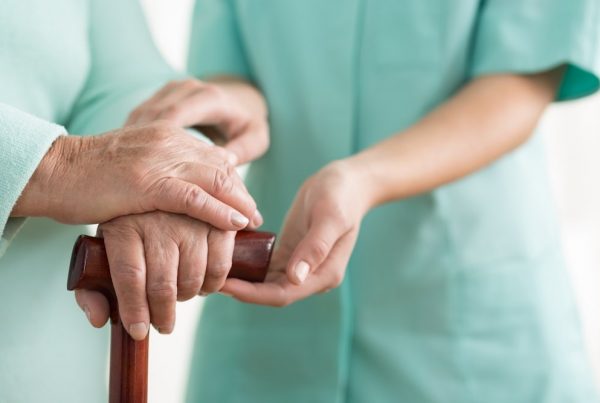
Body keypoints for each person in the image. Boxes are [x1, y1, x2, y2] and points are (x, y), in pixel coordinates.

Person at [171, 0, 600, 401]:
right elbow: (225, 70)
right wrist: (225, 109)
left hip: (467, 328)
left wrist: (364, 178)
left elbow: (522, 80)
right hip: (268, 334)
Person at [0, 0, 266, 401]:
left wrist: (173, 171)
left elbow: (123, 79)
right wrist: (60, 166)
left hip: (56, 373)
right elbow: (90, 163)